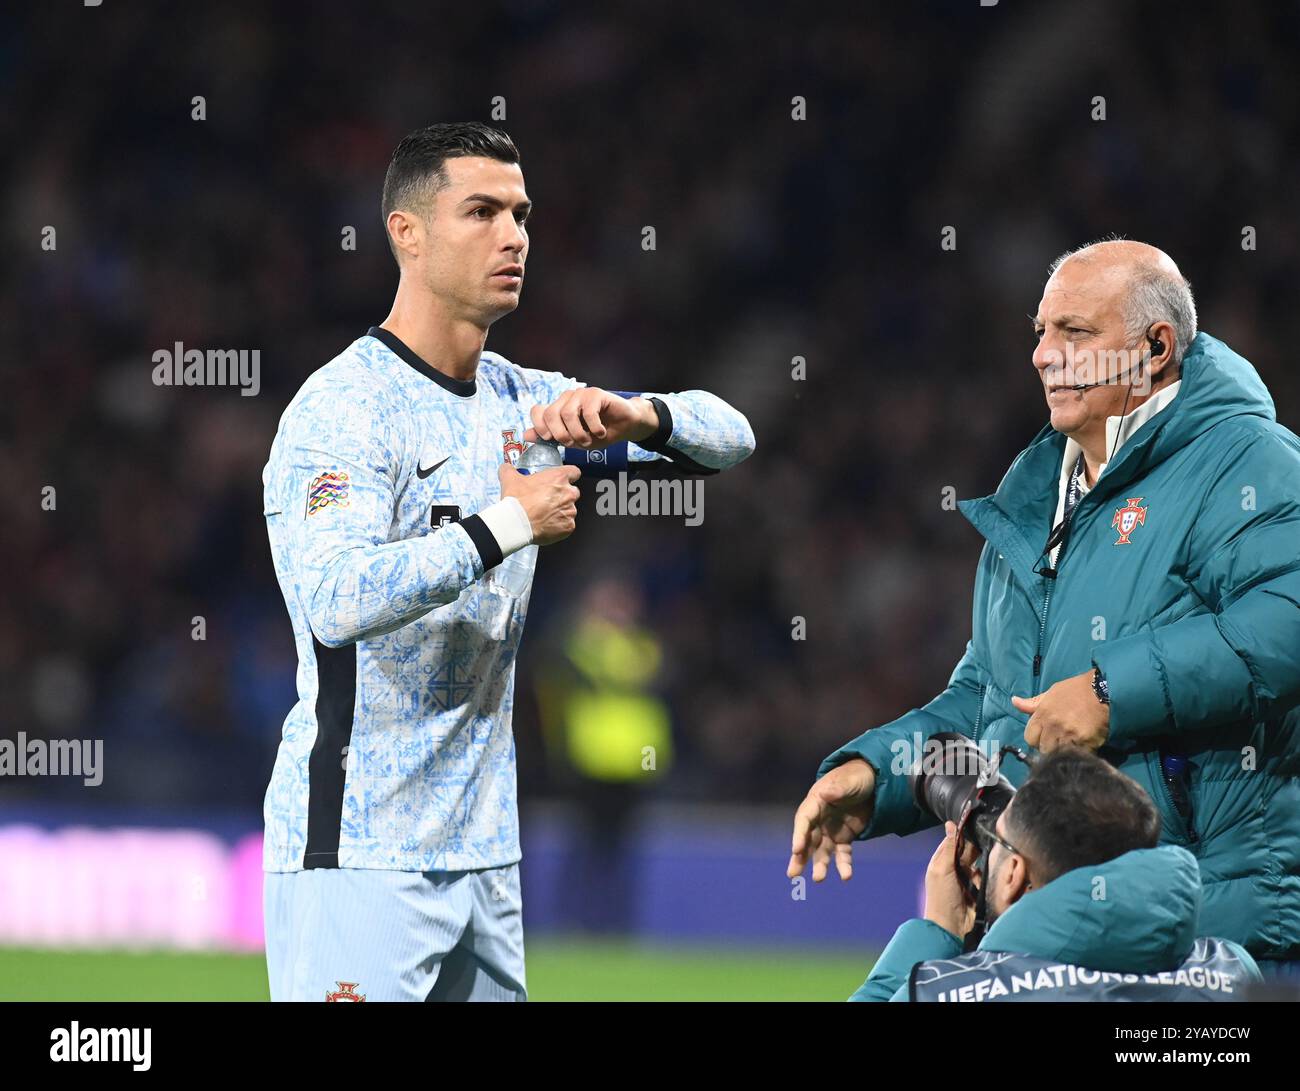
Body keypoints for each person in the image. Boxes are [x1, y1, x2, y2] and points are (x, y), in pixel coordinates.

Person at [261, 122, 755, 1001]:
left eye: (522, 214)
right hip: (362, 848)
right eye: (482, 211)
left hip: (487, 854)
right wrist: (503, 525)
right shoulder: (341, 411)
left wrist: (639, 416)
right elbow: (334, 599)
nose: (514, 236)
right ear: (405, 234)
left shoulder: (526, 402)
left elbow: (733, 437)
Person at [789, 239, 1300, 970]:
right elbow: (991, 702)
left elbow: (1287, 623)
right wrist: (875, 774)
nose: (1042, 354)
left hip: (1212, 943)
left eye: (1074, 332)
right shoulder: (1035, 498)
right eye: (1040, 331)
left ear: (1155, 348)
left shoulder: (1248, 462)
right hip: (1057, 936)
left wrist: (1108, 692)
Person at [852, 748, 1261, 1002]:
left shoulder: (944, 992)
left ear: (1014, 873)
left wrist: (936, 931)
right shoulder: (1233, 971)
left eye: (1000, 843)